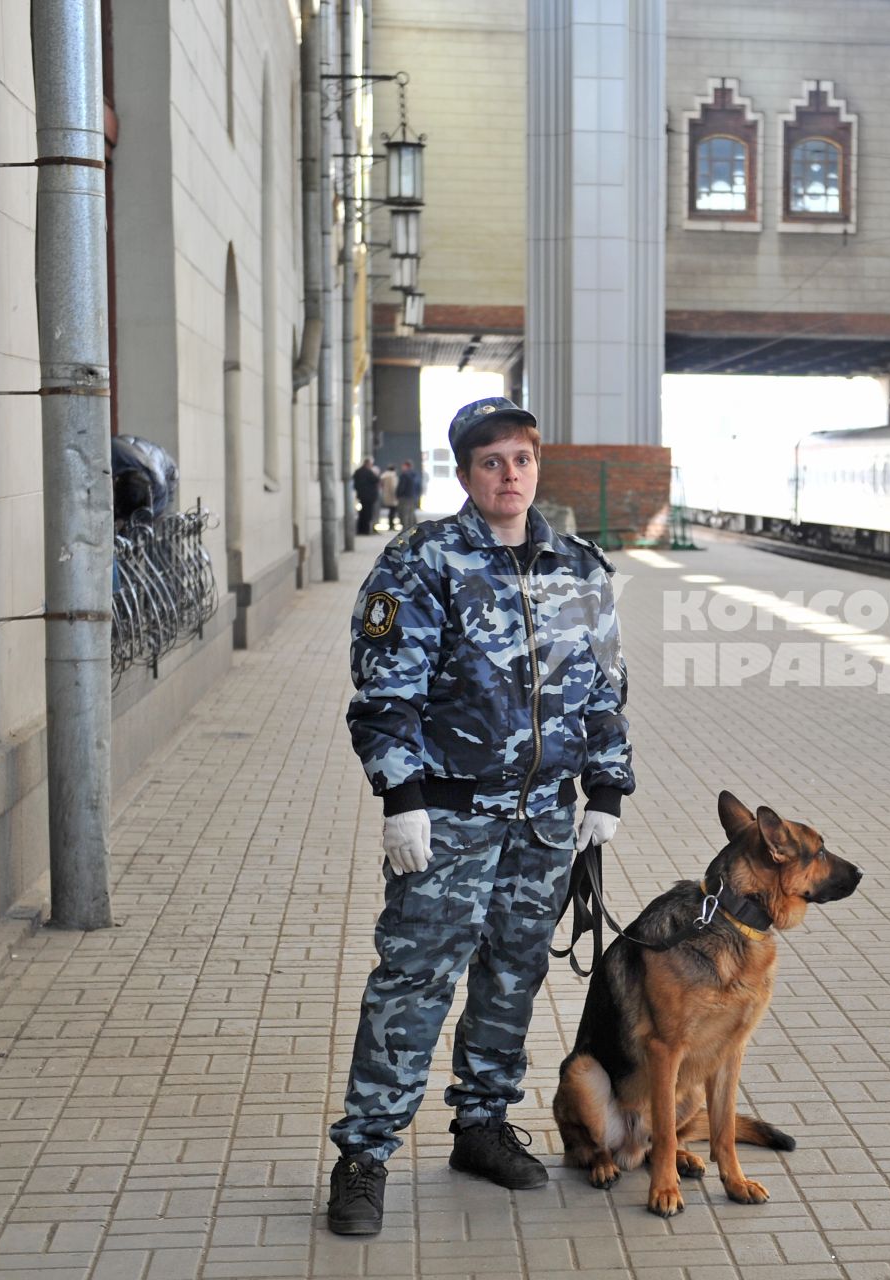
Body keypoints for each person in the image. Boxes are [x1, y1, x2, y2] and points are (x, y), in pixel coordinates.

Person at [325, 396, 634, 1237]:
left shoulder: (579, 567)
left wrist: (605, 790)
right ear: (465, 473)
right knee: (413, 983)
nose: (510, 475)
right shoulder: (421, 563)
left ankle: (482, 1126)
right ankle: (363, 1154)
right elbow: (385, 696)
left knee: (512, 979)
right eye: (491, 461)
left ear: (538, 468)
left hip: (542, 823)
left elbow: (605, 688)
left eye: (522, 460)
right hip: (449, 823)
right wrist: (400, 801)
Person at [353, 457, 382, 536]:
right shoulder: (368, 472)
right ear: (368, 464)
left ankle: (361, 529)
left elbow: (355, 484)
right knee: (367, 514)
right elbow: (376, 480)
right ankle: (366, 530)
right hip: (369, 497)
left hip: (362, 496)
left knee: (362, 513)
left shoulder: (358, 472)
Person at [395, 460, 423, 529]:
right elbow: (419, 486)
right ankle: (412, 528)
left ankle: (405, 529)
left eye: (403, 466)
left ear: (406, 466)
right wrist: (417, 495)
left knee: (404, 513)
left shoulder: (404, 475)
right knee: (411, 513)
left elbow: (402, 487)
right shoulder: (416, 475)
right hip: (413, 497)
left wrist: (398, 495)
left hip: (404, 497)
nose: (402, 467)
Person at [379, 463, 401, 531]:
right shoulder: (392, 476)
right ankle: (391, 525)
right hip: (392, 496)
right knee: (393, 511)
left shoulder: (384, 476)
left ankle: (390, 524)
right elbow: (393, 487)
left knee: (391, 511)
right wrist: (396, 495)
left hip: (386, 495)